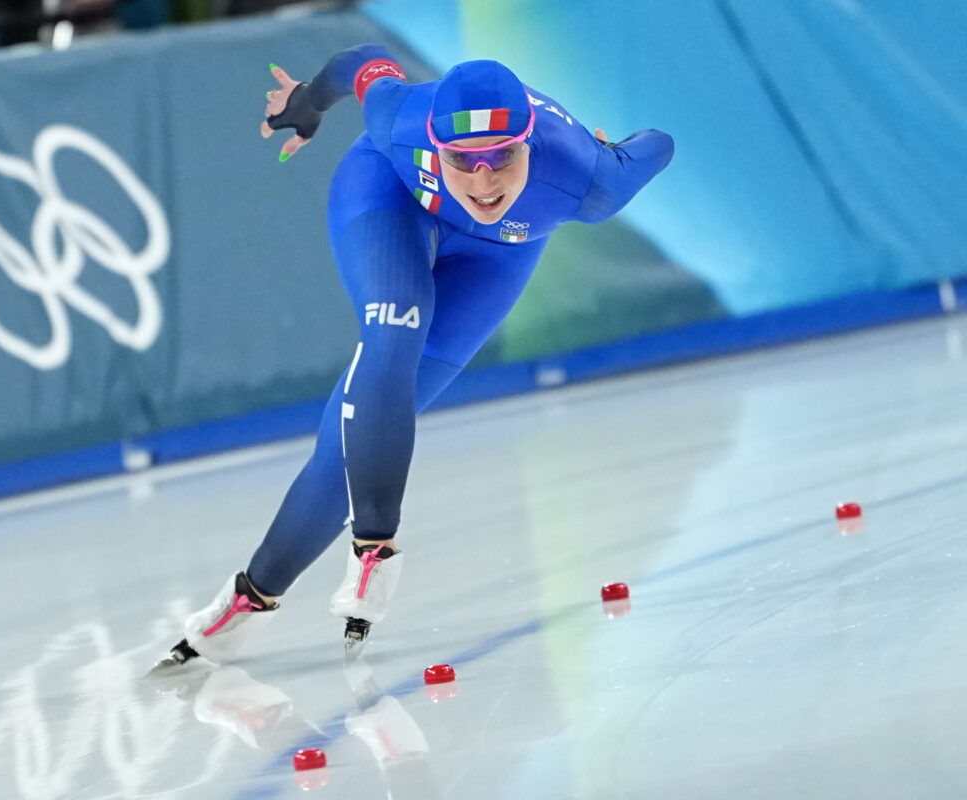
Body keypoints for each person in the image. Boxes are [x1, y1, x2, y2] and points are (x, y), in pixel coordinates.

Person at [155, 44, 674, 669]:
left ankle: (251, 596)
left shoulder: (591, 179)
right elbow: (363, 63)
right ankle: (376, 548)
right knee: (394, 326)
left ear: (529, 144)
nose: (484, 183)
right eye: (464, 161)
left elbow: (658, 143)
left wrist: (615, 149)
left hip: (498, 257)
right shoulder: (401, 120)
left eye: (501, 158)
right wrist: (306, 103)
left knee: (345, 444)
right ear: (436, 144)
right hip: (388, 197)